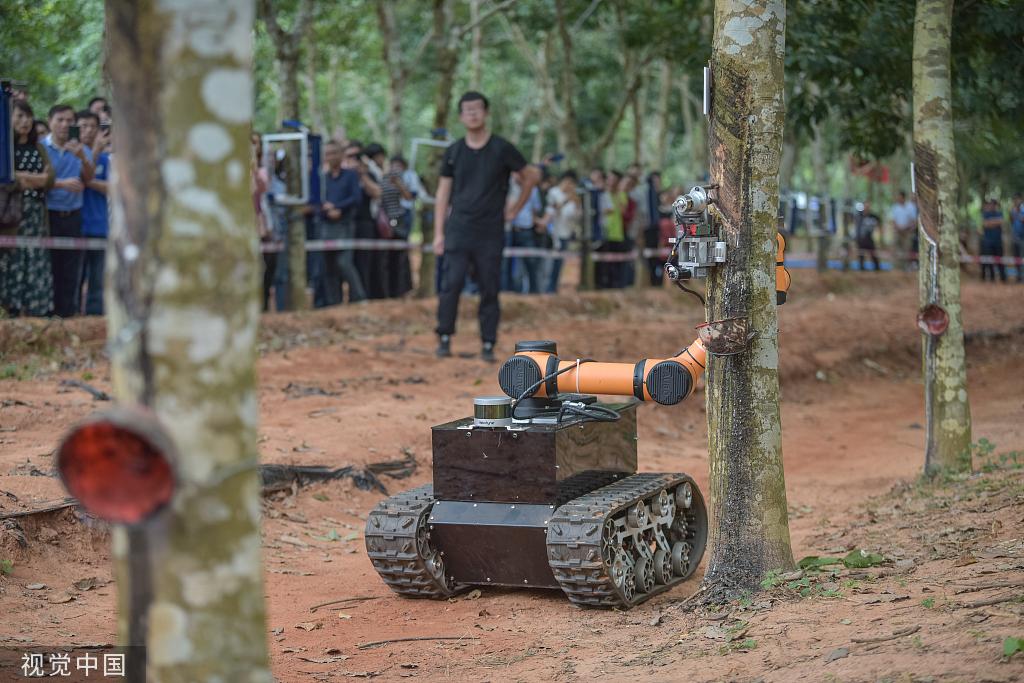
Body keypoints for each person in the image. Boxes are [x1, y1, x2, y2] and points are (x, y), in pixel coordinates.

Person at [433, 91, 540, 361]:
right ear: (461, 116)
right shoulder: (454, 151)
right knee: (451, 283)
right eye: (467, 110)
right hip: (458, 228)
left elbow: (530, 177)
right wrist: (438, 233)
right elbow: (443, 193)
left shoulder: (502, 148)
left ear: (486, 113)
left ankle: (488, 343)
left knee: (489, 287)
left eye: (477, 109)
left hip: (490, 231)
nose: (472, 114)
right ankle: (444, 336)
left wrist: (514, 210)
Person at [0, 101, 55, 317]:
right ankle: (11, 307)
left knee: (36, 256)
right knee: (13, 256)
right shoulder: (5, 148)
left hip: (37, 212)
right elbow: (8, 179)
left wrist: (28, 178)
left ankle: (36, 307)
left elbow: (50, 179)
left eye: (28, 117)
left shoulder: (38, 148)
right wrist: (34, 179)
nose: (25, 121)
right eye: (20, 116)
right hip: (13, 213)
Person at [43, 104, 94, 318]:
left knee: (71, 269)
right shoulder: (40, 147)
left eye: (69, 121)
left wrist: (82, 157)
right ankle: (46, 313)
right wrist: (60, 184)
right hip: (47, 215)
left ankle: (67, 314)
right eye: (60, 120)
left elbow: (89, 178)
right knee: (47, 266)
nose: (65, 125)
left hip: (73, 215)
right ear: (50, 122)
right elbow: (35, 181)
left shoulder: (82, 149)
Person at [320, 140, 367, 305]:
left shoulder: (350, 175)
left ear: (341, 155)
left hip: (345, 224)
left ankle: (359, 298)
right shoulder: (322, 178)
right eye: (327, 154)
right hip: (326, 225)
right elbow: (317, 201)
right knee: (328, 265)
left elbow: (357, 198)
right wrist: (326, 209)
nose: (330, 157)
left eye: (333, 153)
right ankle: (333, 302)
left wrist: (339, 208)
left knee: (344, 262)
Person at [76, 110, 109, 315]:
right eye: (83, 126)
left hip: (99, 225)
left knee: (97, 278)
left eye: (93, 127)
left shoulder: (106, 160)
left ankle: (94, 316)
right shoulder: (70, 157)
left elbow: (113, 187)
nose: (88, 131)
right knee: (74, 276)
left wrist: (89, 182)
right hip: (74, 224)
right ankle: (71, 314)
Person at [543, 170, 580, 293]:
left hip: (566, 233)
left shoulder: (574, 197)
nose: (569, 185)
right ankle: (546, 288)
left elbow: (577, 217)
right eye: (568, 182)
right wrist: (566, 200)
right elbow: (552, 211)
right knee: (549, 263)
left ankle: (553, 288)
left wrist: (576, 203)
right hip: (553, 233)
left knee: (559, 264)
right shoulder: (553, 192)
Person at [642, 172, 664, 286]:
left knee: (660, 255)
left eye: (658, 181)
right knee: (650, 255)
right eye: (654, 181)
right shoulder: (646, 193)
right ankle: (652, 279)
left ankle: (660, 279)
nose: (657, 183)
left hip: (660, 229)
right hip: (648, 228)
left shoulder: (661, 195)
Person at [889, 190, 918, 271]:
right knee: (896, 248)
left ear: (903, 198)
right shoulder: (895, 208)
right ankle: (896, 266)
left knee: (907, 249)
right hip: (897, 232)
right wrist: (897, 228)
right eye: (898, 197)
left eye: (900, 197)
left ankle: (906, 266)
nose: (898, 199)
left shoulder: (910, 207)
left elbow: (913, 221)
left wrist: (907, 228)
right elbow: (893, 220)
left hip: (907, 232)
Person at [980, 198, 1007, 282]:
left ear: (996, 205)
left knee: (1000, 260)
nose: (992, 206)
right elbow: (985, 224)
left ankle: (1003, 278)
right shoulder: (986, 214)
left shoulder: (999, 213)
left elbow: (1001, 222)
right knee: (989, 260)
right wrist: (996, 222)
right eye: (991, 204)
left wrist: (990, 222)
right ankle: (992, 278)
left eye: (994, 204)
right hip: (988, 241)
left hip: (998, 241)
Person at [855, 201, 882, 272]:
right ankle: (861, 269)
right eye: (865, 206)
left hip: (869, 238)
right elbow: (856, 228)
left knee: (873, 254)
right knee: (861, 255)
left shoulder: (873, 216)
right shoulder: (859, 216)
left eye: (868, 206)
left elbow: (879, 222)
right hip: (861, 239)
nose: (867, 208)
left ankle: (877, 269)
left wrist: (880, 232)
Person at [1010, 193, 1023, 283]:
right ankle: (1018, 276)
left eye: (1017, 199)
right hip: (1015, 237)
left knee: (1022, 257)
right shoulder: (1013, 211)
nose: (1016, 201)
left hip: (1022, 238)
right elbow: (1011, 221)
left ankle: (1022, 276)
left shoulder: (1023, 210)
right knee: (1016, 258)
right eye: (1014, 200)